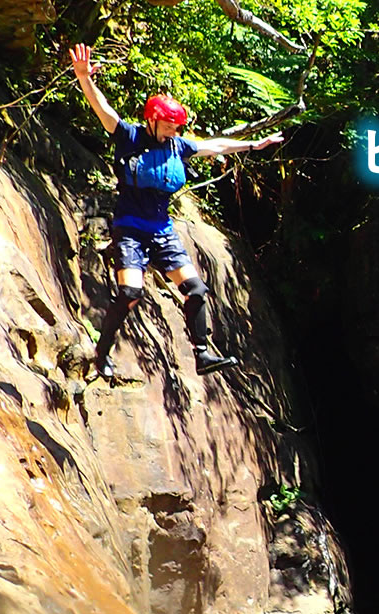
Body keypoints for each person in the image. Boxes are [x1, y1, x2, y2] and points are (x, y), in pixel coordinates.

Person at [68, 43, 281, 380]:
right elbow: (102, 108)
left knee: (196, 289)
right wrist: (84, 78)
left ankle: (202, 353)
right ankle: (103, 353)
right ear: (152, 120)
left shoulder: (178, 147)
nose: (173, 132)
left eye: (177, 127)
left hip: (162, 231)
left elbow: (216, 145)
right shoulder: (129, 136)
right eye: (168, 126)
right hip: (130, 230)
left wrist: (253, 144)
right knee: (130, 294)